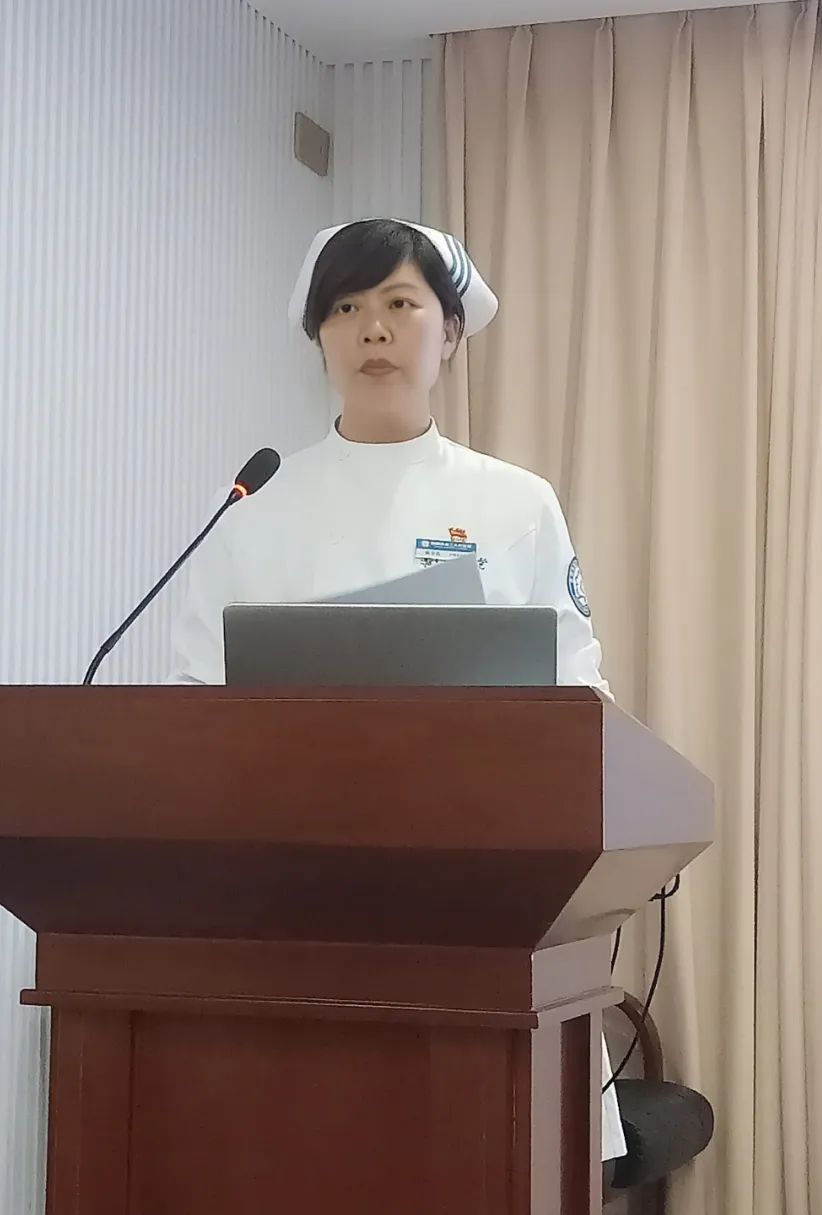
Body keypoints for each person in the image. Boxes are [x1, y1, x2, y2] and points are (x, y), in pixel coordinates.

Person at [168, 216, 626, 1162]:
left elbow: (578, 688)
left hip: (485, 889)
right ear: (318, 336)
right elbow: (193, 695)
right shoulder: (253, 503)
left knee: (483, 1151)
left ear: (449, 332)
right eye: (344, 308)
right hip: (288, 894)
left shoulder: (515, 500)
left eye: (400, 303)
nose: (371, 328)